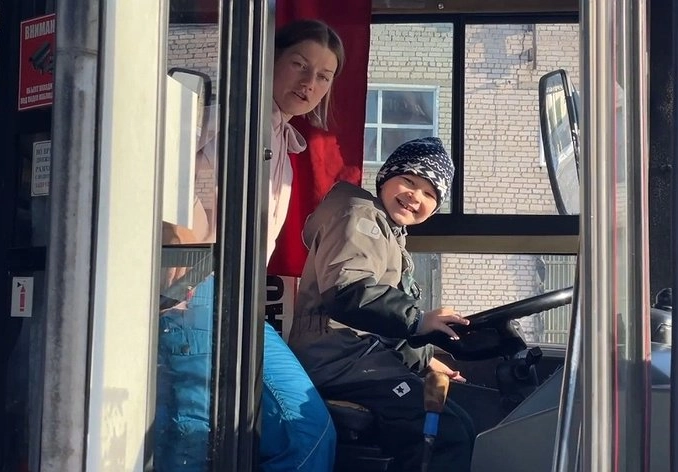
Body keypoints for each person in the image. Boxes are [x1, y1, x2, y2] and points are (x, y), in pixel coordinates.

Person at [155, 19, 344, 472]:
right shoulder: (227, 115)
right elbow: (154, 156)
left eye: (324, 76)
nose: (309, 83)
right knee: (196, 438)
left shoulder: (283, 149)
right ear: (269, 60)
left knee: (302, 432)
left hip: (236, 298)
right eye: (299, 64)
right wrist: (176, 227)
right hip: (196, 286)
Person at [288, 137, 476, 472]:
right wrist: (418, 320)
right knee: (444, 434)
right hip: (337, 360)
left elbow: (379, 323)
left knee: (460, 421)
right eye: (409, 181)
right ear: (386, 178)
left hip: (356, 357)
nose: (415, 196)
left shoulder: (388, 233)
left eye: (429, 194)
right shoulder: (360, 216)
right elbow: (348, 293)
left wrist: (425, 360)